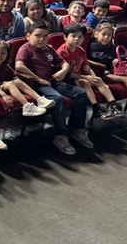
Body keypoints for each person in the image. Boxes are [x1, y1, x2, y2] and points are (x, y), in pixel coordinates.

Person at [15, 23, 92, 155]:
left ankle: (77, 129)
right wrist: (38, 79)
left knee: (81, 93)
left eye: (45, 36)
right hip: (37, 84)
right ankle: (60, 136)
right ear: (28, 36)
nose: (41, 39)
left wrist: (63, 71)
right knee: (58, 99)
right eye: (37, 36)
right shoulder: (25, 48)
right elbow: (19, 66)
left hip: (52, 81)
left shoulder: (48, 48)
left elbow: (64, 63)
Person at [57, 23, 124, 120]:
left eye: (80, 37)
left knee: (98, 80)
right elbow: (68, 73)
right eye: (73, 36)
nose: (77, 39)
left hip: (80, 75)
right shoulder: (62, 52)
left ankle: (113, 104)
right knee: (84, 82)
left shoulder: (81, 50)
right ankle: (96, 107)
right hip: (68, 79)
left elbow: (87, 68)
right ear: (65, 37)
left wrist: (93, 77)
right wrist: (85, 77)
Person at [0, 40, 50, 116]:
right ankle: (27, 106)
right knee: (10, 84)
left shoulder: (5, 66)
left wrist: (19, 84)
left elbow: (14, 76)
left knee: (17, 81)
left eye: (3, 53)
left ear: (7, 55)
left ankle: (39, 99)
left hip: (4, 85)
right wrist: (4, 95)